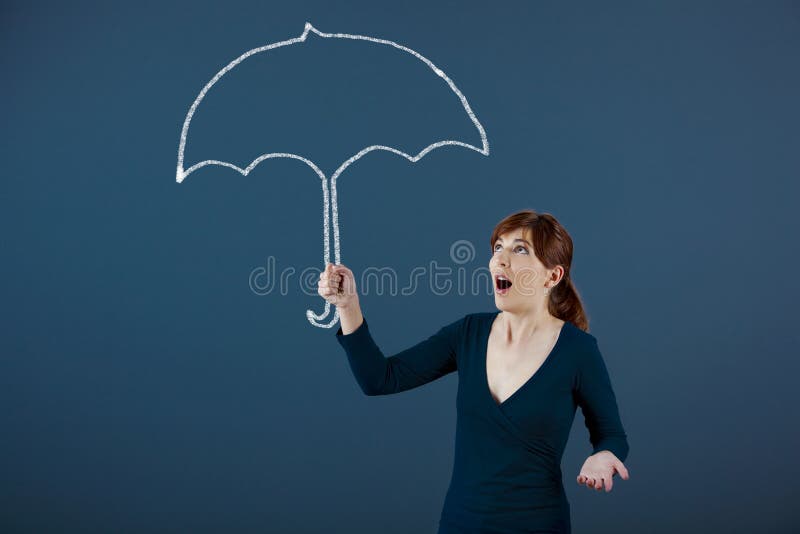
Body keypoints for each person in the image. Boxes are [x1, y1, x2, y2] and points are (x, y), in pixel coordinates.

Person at [318, 209, 630, 533]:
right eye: (498, 248)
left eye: (519, 249)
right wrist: (347, 305)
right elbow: (379, 378)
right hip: (461, 523)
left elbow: (612, 435)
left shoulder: (578, 350)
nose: (499, 260)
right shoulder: (468, 333)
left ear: (552, 277)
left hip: (538, 524)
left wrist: (604, 455)